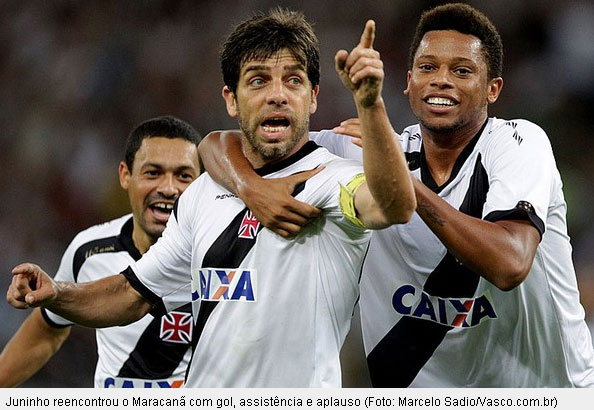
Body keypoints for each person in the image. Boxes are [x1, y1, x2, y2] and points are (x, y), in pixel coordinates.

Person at [6, 8, 415, 387]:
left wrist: (369, 103)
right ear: (230, 100)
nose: (277, 94)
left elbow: (393, 205)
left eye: (293, 80)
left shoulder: (332, 178)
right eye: (258, 80)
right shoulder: (203, 191)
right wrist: (58, 293)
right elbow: (131, 293)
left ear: (313, 97)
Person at [198, 3, 594, 387]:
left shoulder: (517, 144)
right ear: (408, 82)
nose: (441, 80)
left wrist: (404, 183)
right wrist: (250, 187)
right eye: (427, 67)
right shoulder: (360, 151)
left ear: (493, 89)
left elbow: (509, 264)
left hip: (545, 390)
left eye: (462, 70)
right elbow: (220, 143)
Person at [0, 115, 201, 388]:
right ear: (125, 176)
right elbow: (48, 330)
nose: (168, 188)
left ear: (202, 185)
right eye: (153, 172)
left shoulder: (223, 256)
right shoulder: (90, 251)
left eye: (183, 176)